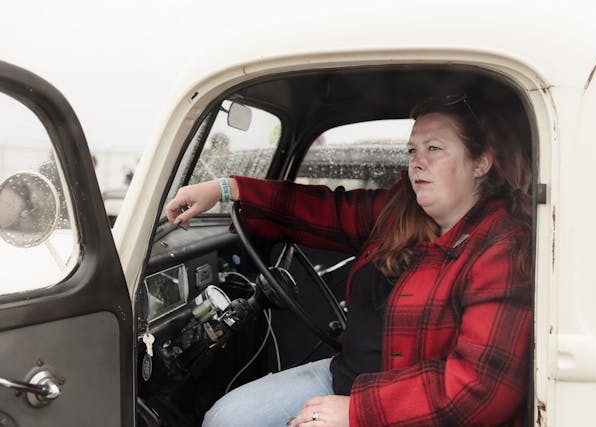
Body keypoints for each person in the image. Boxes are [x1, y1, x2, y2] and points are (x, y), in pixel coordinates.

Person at [166, 96, 533, 427]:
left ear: (480, 162)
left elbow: (481, 390)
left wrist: (358, 411)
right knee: (226, 419)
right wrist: (228, 189)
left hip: (403, 409)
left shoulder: (501, 246)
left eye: (434, 149)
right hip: (346, 378)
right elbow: (327, 211)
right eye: (412, 151)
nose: (416, 162)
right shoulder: (401, 210)